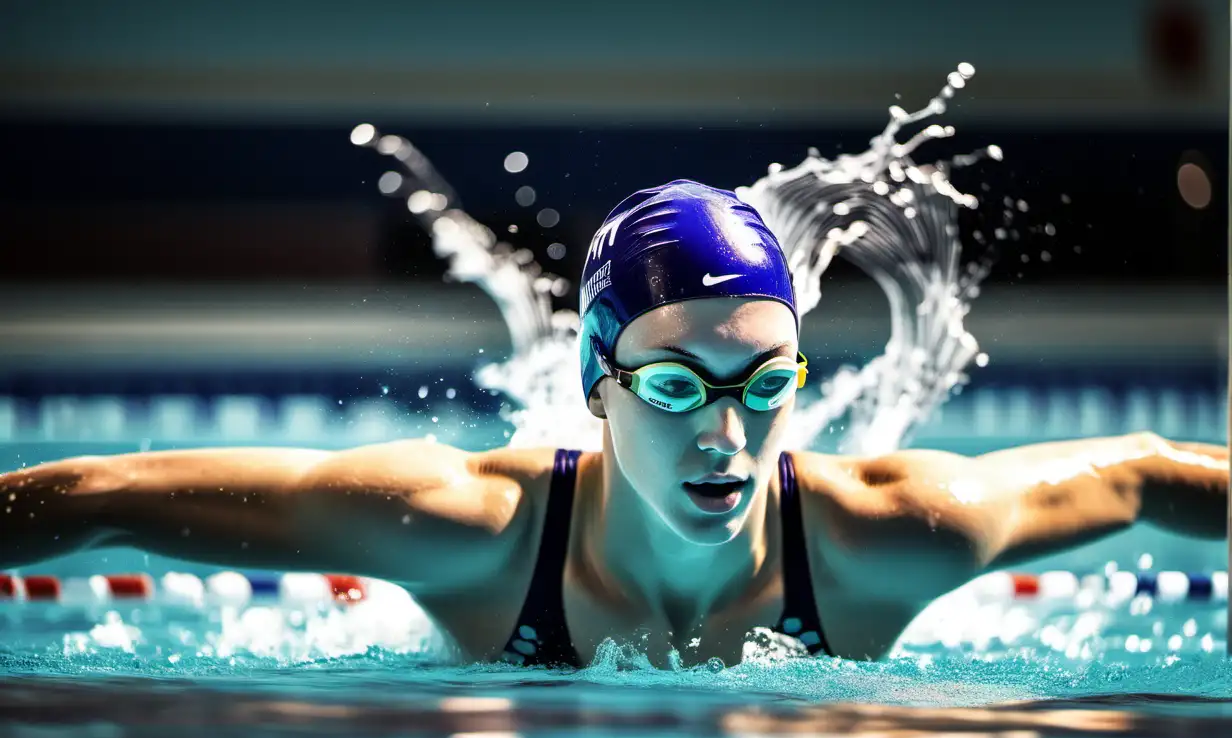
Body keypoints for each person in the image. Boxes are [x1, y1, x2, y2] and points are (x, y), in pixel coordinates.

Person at [0, 181, 1226, 668]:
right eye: (678, 387)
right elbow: (118, 492)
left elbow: (1151, 472)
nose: (729, 435)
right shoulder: (472, 530)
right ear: (597, 384)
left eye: (763, 383)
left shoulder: (885, 538)